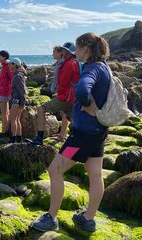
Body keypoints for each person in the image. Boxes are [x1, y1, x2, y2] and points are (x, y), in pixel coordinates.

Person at [31, 33, 111, 233]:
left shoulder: (92, 69)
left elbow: (83, 90)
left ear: (86, 48)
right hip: (99, 131)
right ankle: (88, 219)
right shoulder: (105, 67)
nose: (75, 53)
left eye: (77, 48)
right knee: (95, 174)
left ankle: (51, 217)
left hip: (82, 134)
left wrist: (87, 106)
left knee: (54, 170)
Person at [31, 42, 80, 145]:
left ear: (67, 51)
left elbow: (63, 82)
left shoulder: (69, 64)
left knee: (41, 109)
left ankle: (39, 138)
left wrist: (58, 93)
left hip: (66, 97)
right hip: (73, 97)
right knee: (72, 119)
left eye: (62, 50)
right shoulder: (75, 62)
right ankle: (77, 141)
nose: (62, 51)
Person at [51, 46, 70, 141]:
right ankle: (62, 133)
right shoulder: (59, 63)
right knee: (64, 113)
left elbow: (63, 79)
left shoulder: (63, 64)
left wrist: (58, 89)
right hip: (60, 91)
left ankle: (63, 135)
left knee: (65, 113)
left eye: (54, 52)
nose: (52, 54)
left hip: (64, 92)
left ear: (60, 53)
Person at [0, 50, 13, 138]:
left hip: (4, 92)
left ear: (4, 57)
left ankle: (4, 132)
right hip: (3, 91)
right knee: (6, 112)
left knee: (4, 113)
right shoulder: (5, 65)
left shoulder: (7, 66)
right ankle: (6, 130)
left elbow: (12, 78)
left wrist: (6, 88)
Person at [9, 58, 27, 143]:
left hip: (16, 100)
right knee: (17, 120)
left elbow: (22, 90)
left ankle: (13, 140)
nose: (9, 65)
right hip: (18, 100)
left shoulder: (17, 76)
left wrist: (23, 102)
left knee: (13, 120)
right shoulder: (18, 75)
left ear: (14, 65)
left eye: (10, 63)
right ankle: (19, 139)